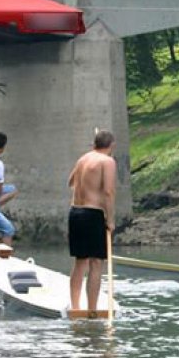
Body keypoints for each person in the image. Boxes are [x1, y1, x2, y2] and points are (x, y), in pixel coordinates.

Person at [67, 130, 117, 313]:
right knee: (96, 263)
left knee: (80, 262)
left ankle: (75, 306)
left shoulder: (83, 159)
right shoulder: (107, 161)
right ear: (111, 146)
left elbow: (70, 182)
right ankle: (92, 310)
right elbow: (108, 191)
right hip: (93, 213)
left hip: (75, 212)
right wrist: (110, 219)